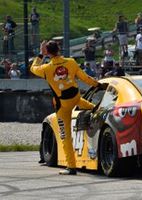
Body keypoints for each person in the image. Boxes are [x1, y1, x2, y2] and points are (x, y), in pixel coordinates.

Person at [31, 40, 101, 175]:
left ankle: (71, 167)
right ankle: (94, 108)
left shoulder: (46, 68)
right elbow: (85, 78)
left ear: (48, 52)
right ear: (59, 49)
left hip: (62, 105)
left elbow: (33, 68)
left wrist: (41, 54)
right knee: (79, 101)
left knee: (65, 136)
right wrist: (98, 84)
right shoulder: (71, 62)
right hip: (75, 96)